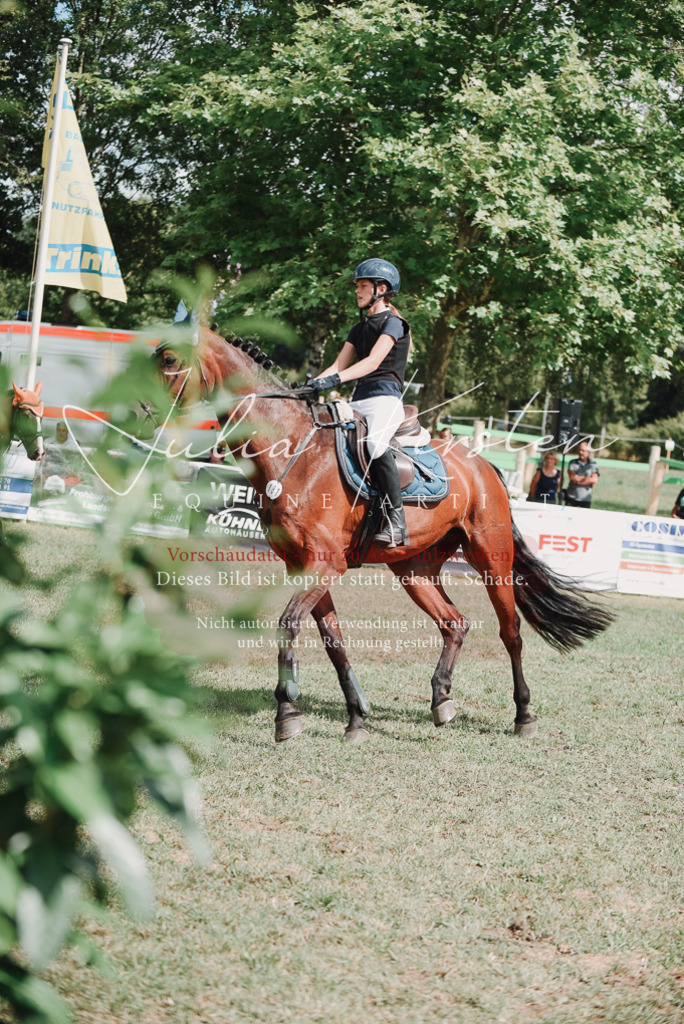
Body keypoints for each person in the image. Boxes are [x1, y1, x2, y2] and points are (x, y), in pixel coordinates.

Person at [302, 258, 411, 546]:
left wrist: (333, 381)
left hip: (385, 400)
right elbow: (338, 364)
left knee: (375, 445)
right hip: (358, 401)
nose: (357, 291)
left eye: (363, 286)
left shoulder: (395, 324)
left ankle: (397, 521)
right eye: (357, 286)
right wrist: (310, 387)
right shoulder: (358, 328)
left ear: (381, 288)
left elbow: (374, 362)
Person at [565, 441, 600, 508]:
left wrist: (578, 480)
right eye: (580, 450)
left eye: (583, 451)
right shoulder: (573, 462)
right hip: (572, 497)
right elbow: (572, 477)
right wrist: (587, 480)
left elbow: (594, 480)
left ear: (588, 452)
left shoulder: (593, 465)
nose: (581, 452)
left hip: (585, 499)